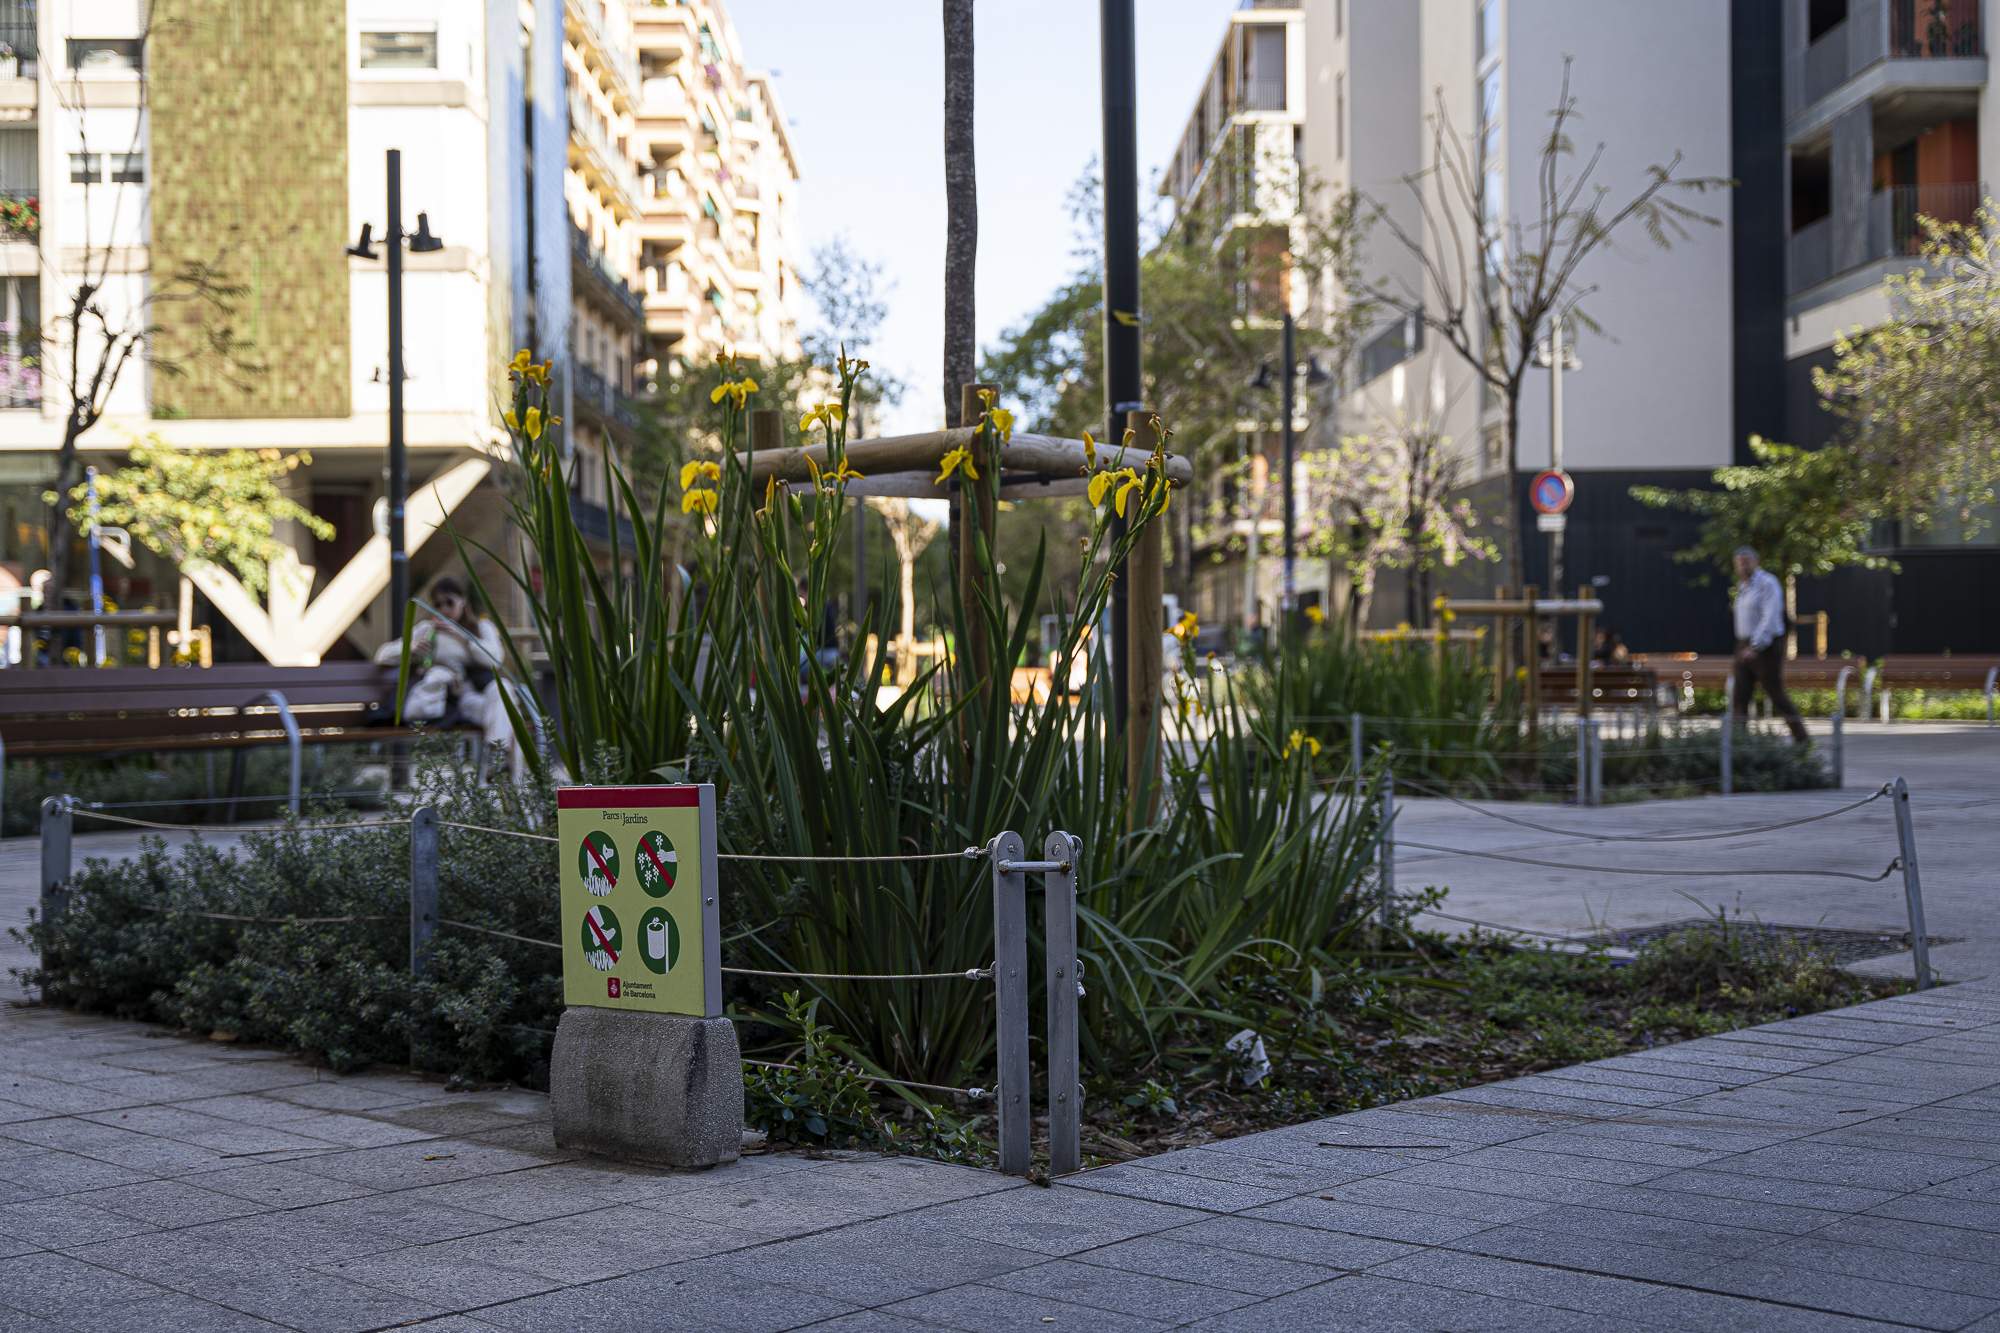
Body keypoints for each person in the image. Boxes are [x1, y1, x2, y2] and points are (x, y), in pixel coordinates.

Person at [375, 577, 517, 755]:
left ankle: (497, 754)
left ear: (463, 601)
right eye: (438, 604)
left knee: (503, 689)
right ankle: (498, 760)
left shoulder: (481, 627)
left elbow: (495, 660)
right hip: (456, 702)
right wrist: (410, 648)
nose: (444, 609)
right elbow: (382, 655)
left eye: (449, 603)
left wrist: (464, 637)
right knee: (509, 718)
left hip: (483, 696)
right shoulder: (428, 629)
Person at [1730, 547, 1808, 743]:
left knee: (1775, 694)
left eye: (1746, 561)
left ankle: (1802, 739)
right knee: (1739, 696)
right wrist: (1744, 646)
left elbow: (1770, 618)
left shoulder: (1767, 583)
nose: (1742, 566)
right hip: (1743, 644)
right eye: (1739, 562)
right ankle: (1738, 742)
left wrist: (1755, 646)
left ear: (1755, 562)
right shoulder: (1742, 587)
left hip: (1765, 647)